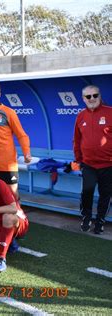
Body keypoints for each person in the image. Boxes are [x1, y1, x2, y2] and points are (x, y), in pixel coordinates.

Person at [0, 81, 31, 198]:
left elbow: (21, 135)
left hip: (7, 163)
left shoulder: (9, 112)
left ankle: (18, 216)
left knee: (12, 194)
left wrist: (26, 152)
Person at [73, 85, 112, 234]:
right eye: (88, 97)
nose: (92, 99)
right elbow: (76, 139)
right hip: (88, 164)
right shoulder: (81, 116)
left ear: (99, 96)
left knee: (105, 194)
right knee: (87, 193)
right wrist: (78, 159)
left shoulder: (110, 112)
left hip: (108, 164)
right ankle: (86, 218)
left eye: (95, 95)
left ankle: (100, 220)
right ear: (83, 99)